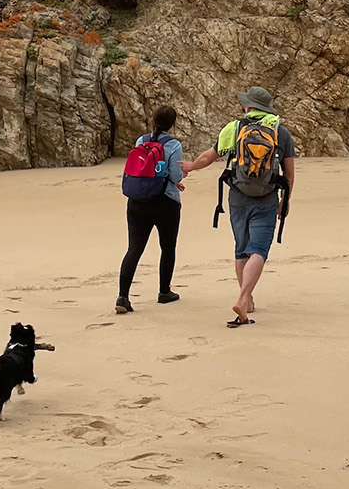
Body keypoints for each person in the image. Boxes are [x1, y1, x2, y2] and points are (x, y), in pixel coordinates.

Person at [183, 86, 296, 328]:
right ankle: (244, 297)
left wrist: (190, 166)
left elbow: (209, 157)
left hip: (237, 196)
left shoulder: (234, 129)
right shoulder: (280, 132)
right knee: (259, 250)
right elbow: (288, 173)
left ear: (248, 107)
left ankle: (248, 297)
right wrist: (285, 201)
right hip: (266, 197)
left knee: (241, 248)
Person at [116, 106, 184, 313]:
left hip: (137, 201)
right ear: (172, 124)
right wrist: (179, 179)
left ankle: (123, 297)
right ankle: (164, 292)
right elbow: (175, 176)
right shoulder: (174, 145)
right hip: (166, 202)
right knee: (167, 247)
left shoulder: (141, 141)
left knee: (134, 249)